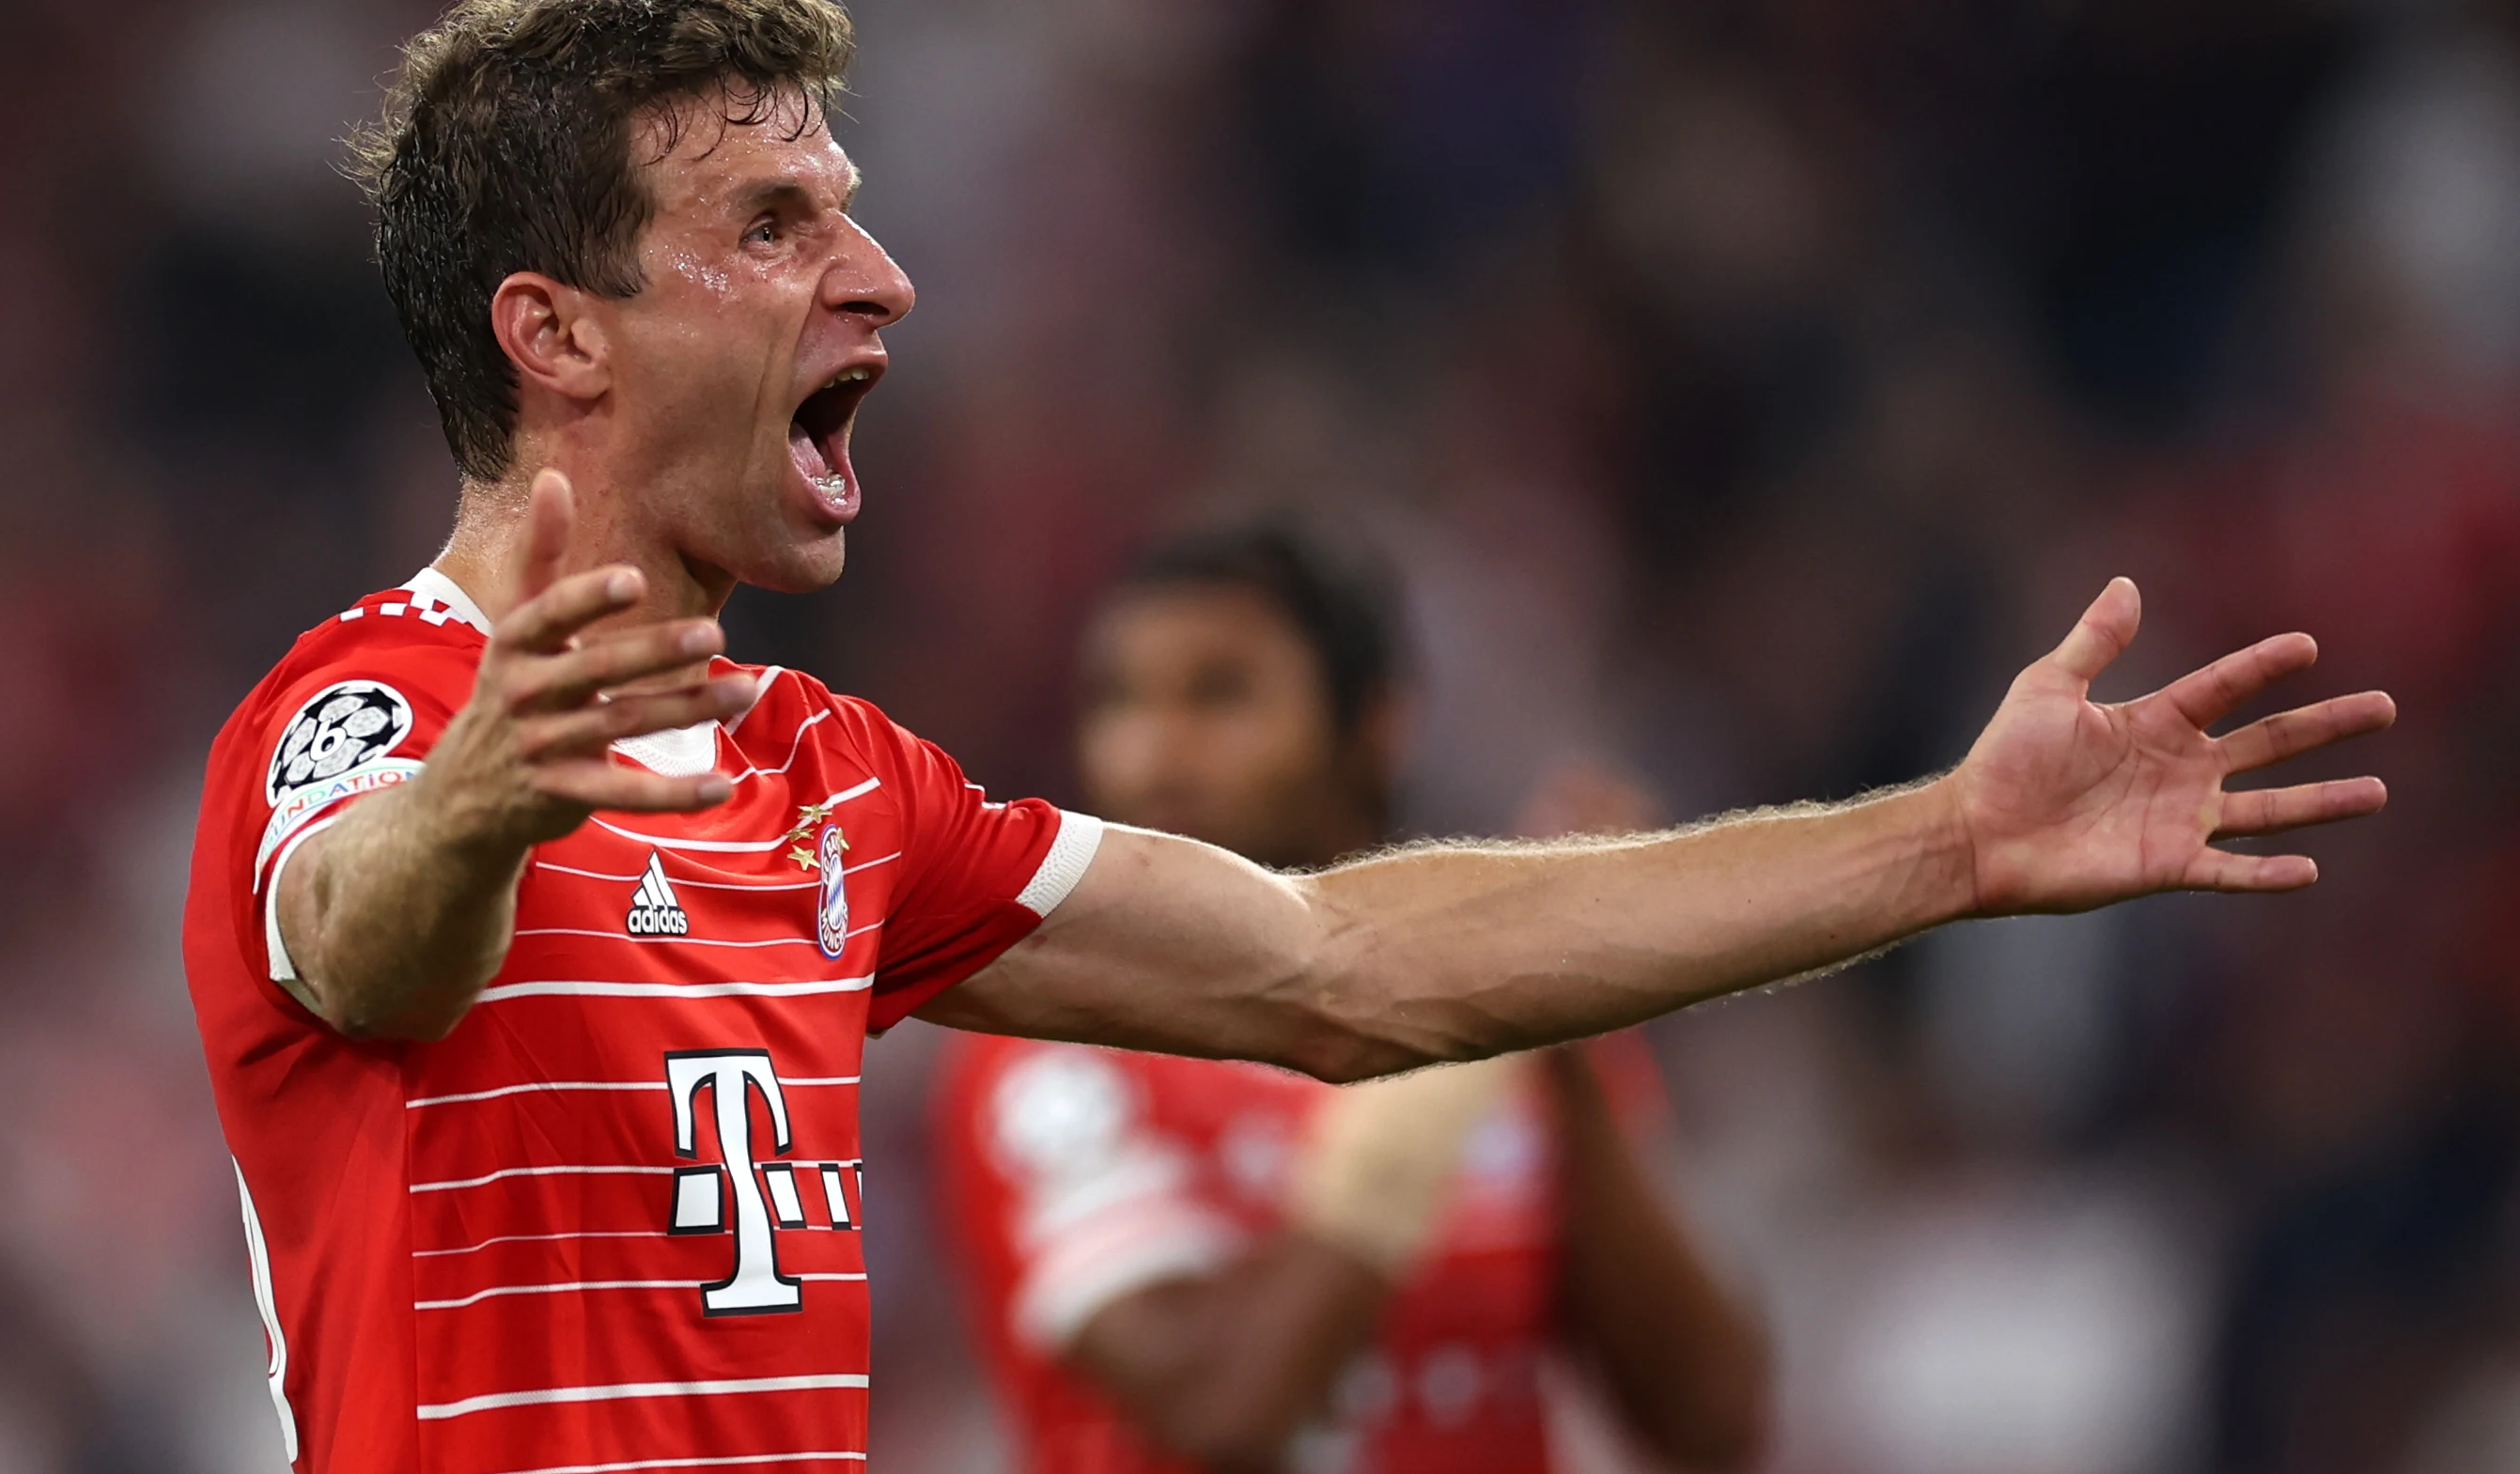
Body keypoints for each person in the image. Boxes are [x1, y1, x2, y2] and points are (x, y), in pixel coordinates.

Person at [177, 4, 2393, 1472]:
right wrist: (479, 803)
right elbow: (358, 941)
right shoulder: (360, 710)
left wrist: (1944, 847)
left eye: (852, 205)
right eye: (775, 225)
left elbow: (1346, 968)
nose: (883, 278)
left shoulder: (833, 783)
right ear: (553, 333)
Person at [935, 522, 1770, 1473]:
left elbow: (1715, 1426)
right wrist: (1451, 1066)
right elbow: (1221, 1411)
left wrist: (1565, 1044)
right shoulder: (1055, 1036)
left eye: (1220, 694)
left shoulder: (1513, 1011)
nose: (1152, 754)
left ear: (1376, 724)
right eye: (1118, 701)